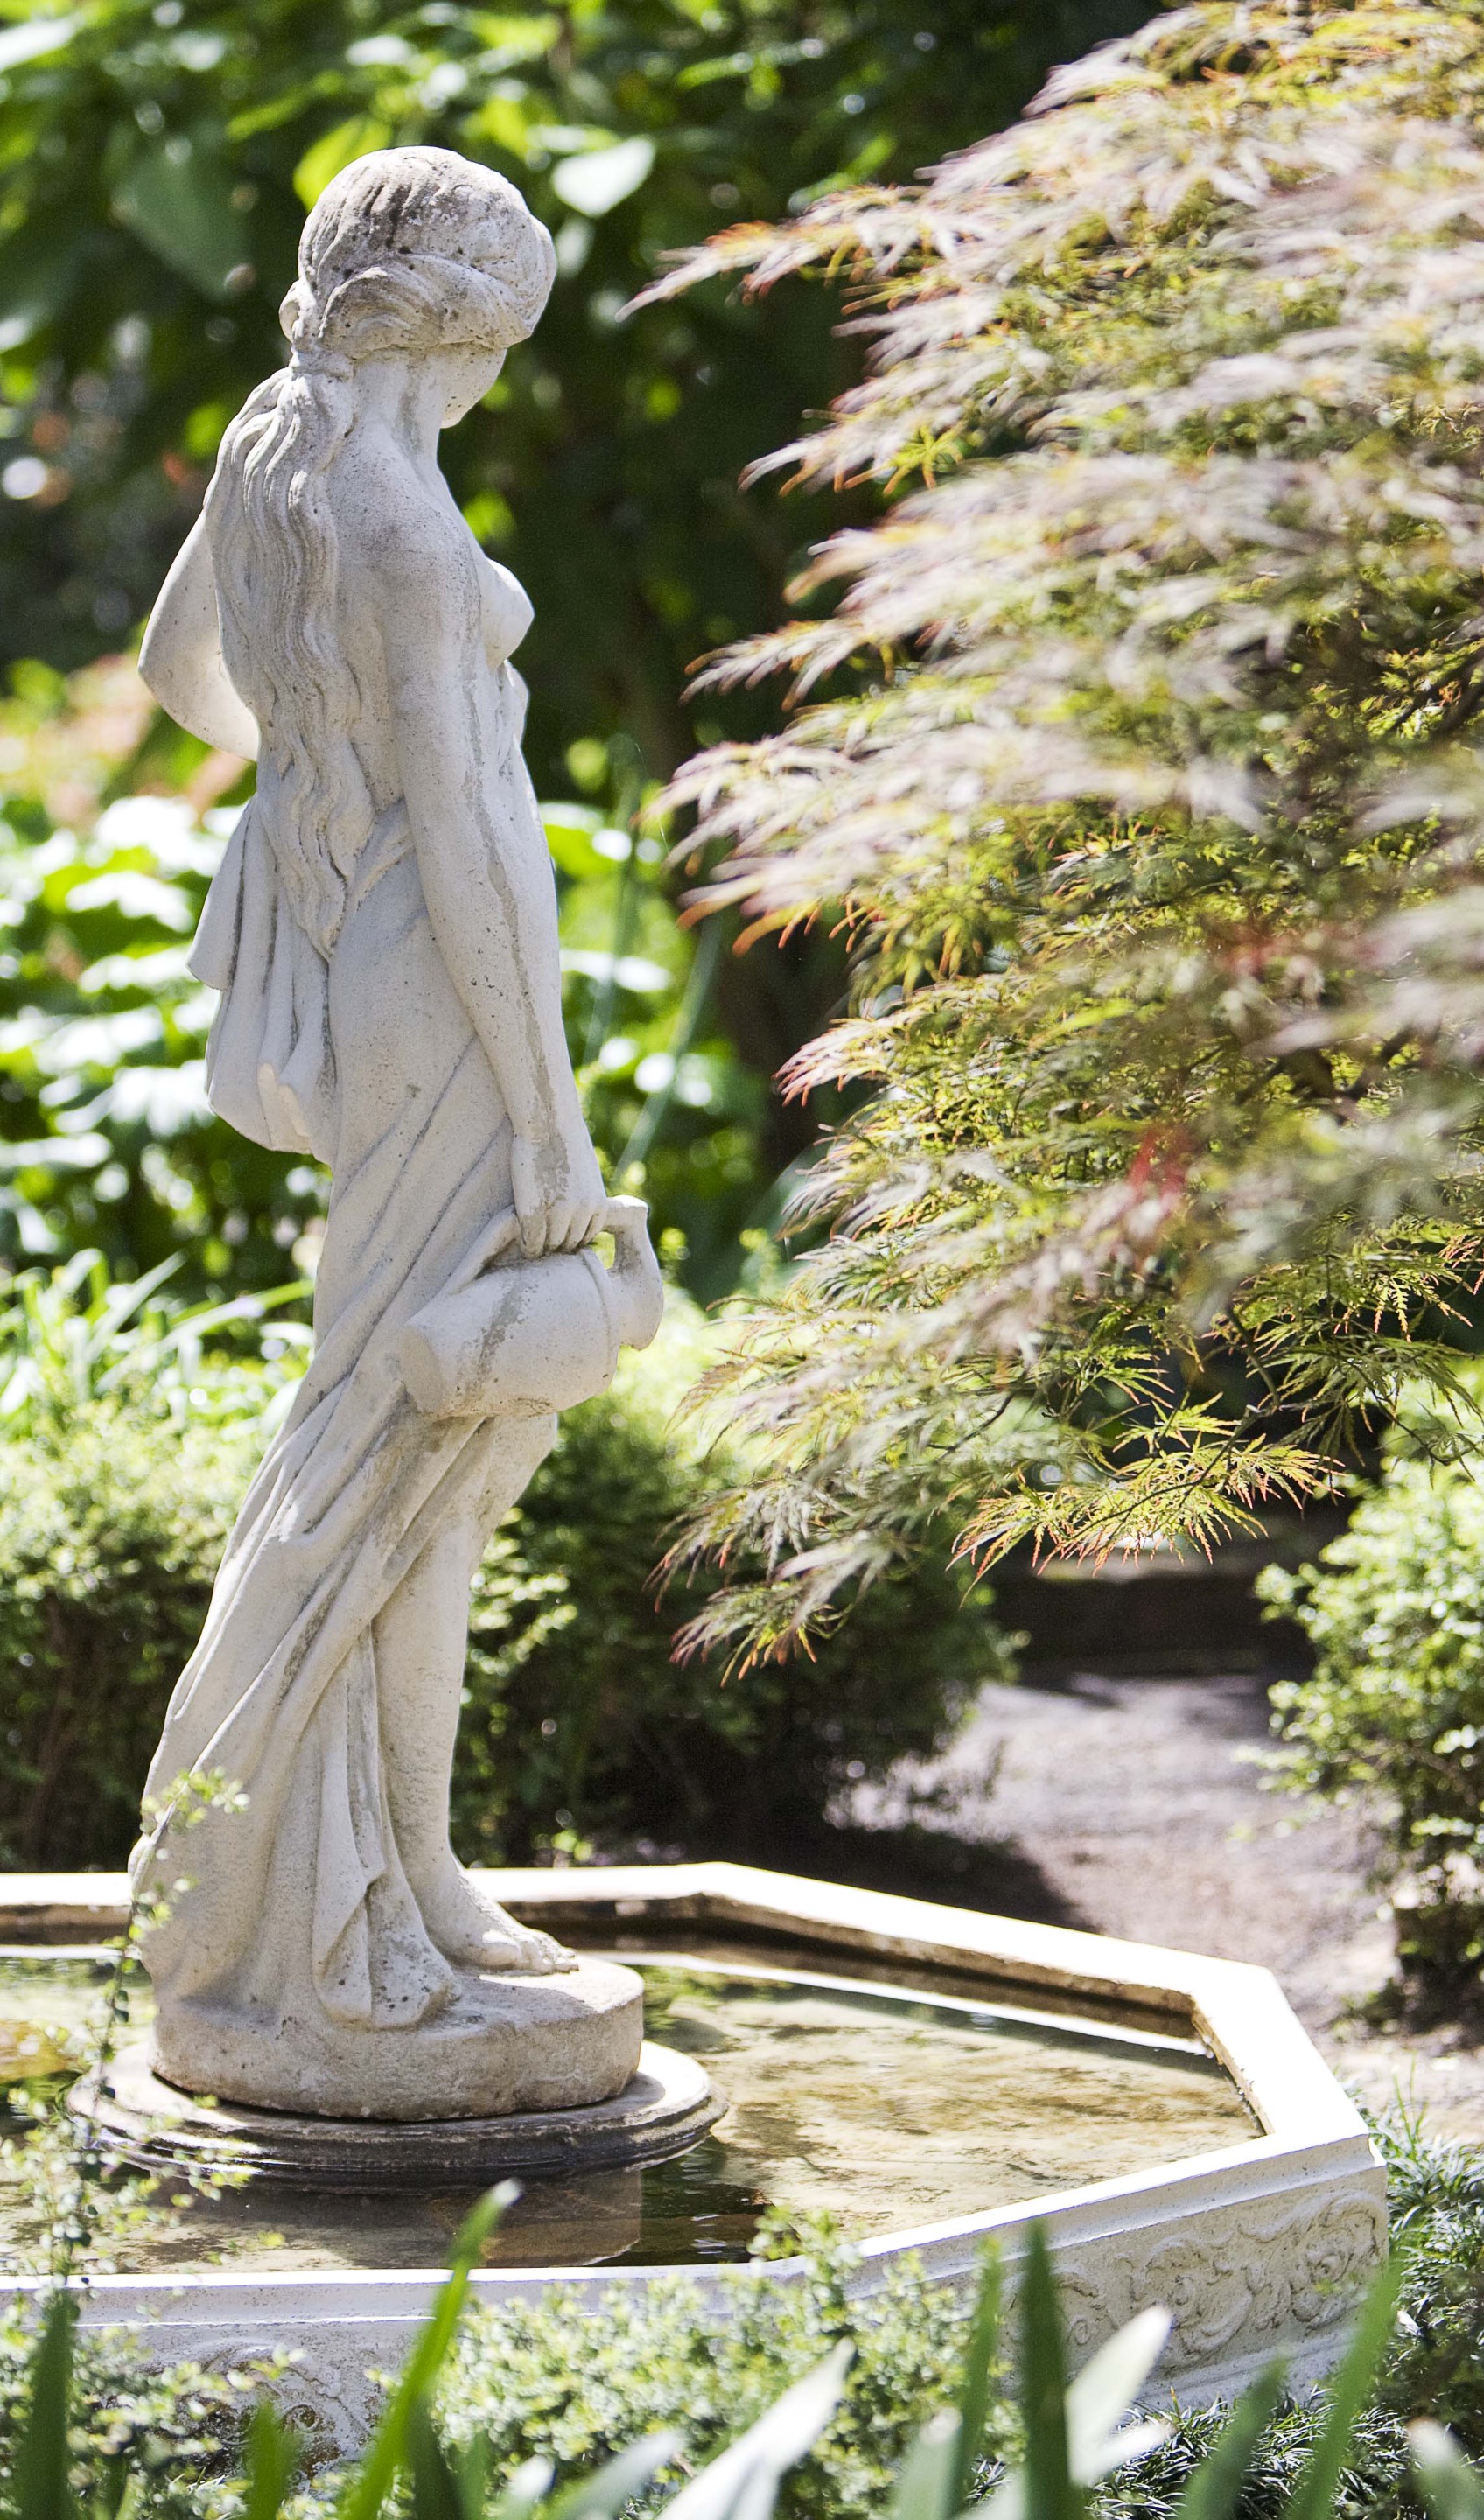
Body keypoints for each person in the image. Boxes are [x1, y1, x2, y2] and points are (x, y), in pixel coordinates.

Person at [133, 148, 606, 2091]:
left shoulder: (277, 436)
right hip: (454, 1019)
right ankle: (360, 1902)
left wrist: (319, 795)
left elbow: (178, 674)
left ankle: (400, 1873)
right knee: (424, 1457)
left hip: (368, 979)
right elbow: (490, 855)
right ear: (482, 326)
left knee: (394, 1443)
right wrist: (555, 1122)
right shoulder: (400, 517)